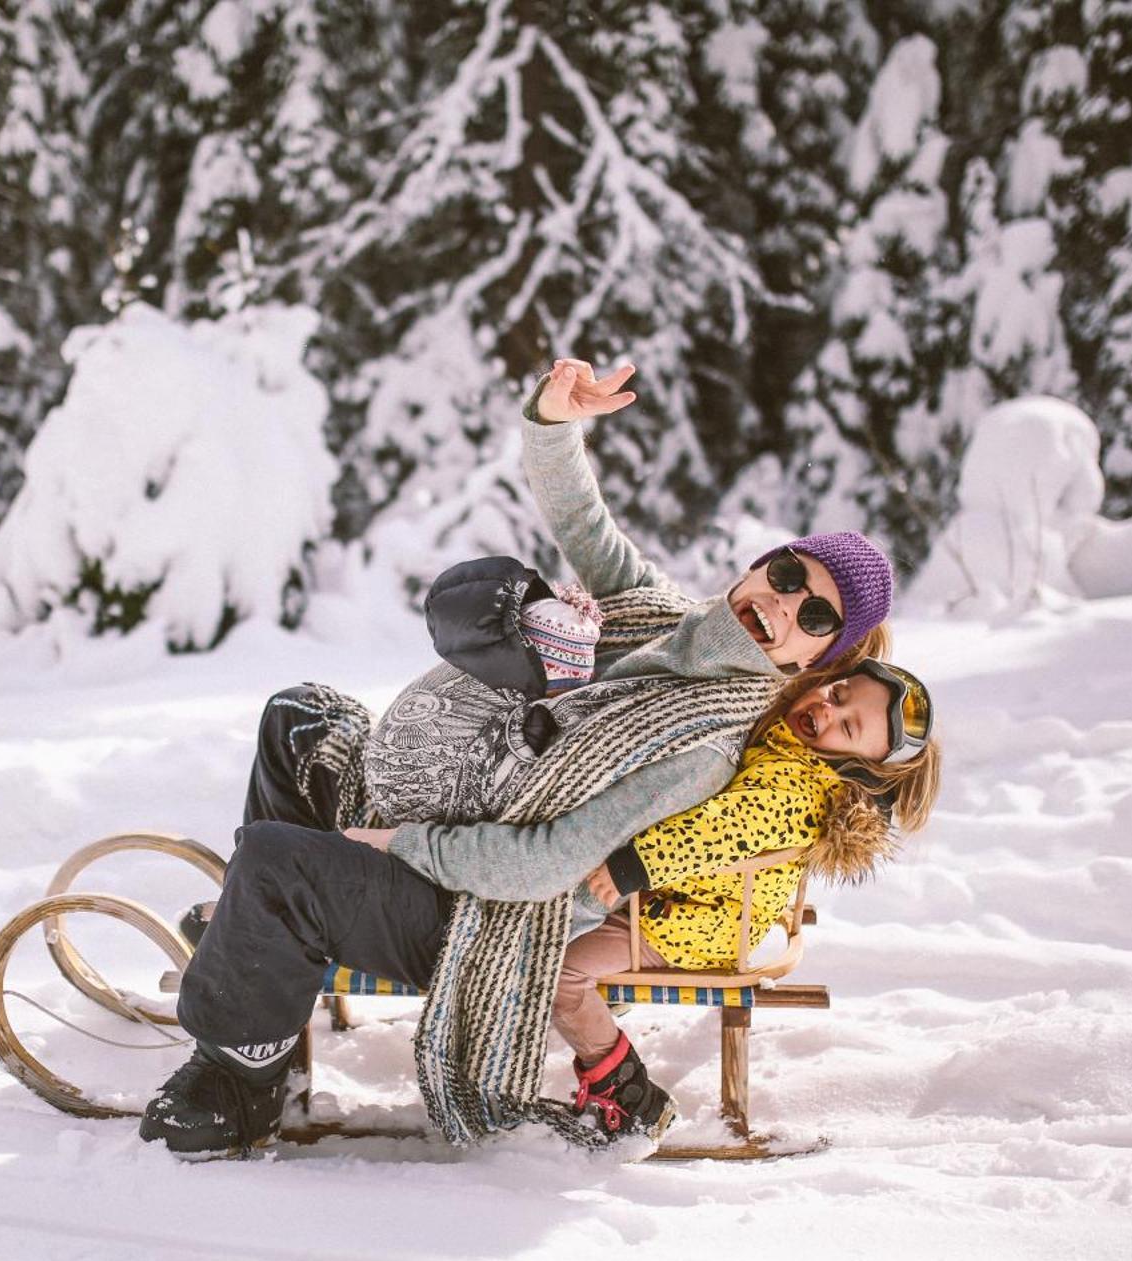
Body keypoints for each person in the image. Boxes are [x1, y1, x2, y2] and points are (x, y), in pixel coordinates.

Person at [138, 361, 900, 1154]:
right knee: (298, 717)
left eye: (813, 613)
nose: (781, 602)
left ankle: (239, 1076)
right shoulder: (657, 616)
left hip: (472, 910)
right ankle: (264, 969)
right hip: (434, 826)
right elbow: (582, 521)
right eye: (785, 574)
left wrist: (399, 844)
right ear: (758, 564)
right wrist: (552, 420)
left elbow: (545, 867)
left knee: (273, 861)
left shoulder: (701, 747)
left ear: (815, 658)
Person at [555, 657, 942, 1140]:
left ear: (855, 764)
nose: (826, 710)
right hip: (701, 901)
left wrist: (633, 865)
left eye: (847, 726)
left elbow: (716, 830)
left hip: (686, 925)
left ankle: (626, 1092)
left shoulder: (790, 790)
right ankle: (609, 1014)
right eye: (838, 694)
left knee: (560, 974)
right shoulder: (791, 747)